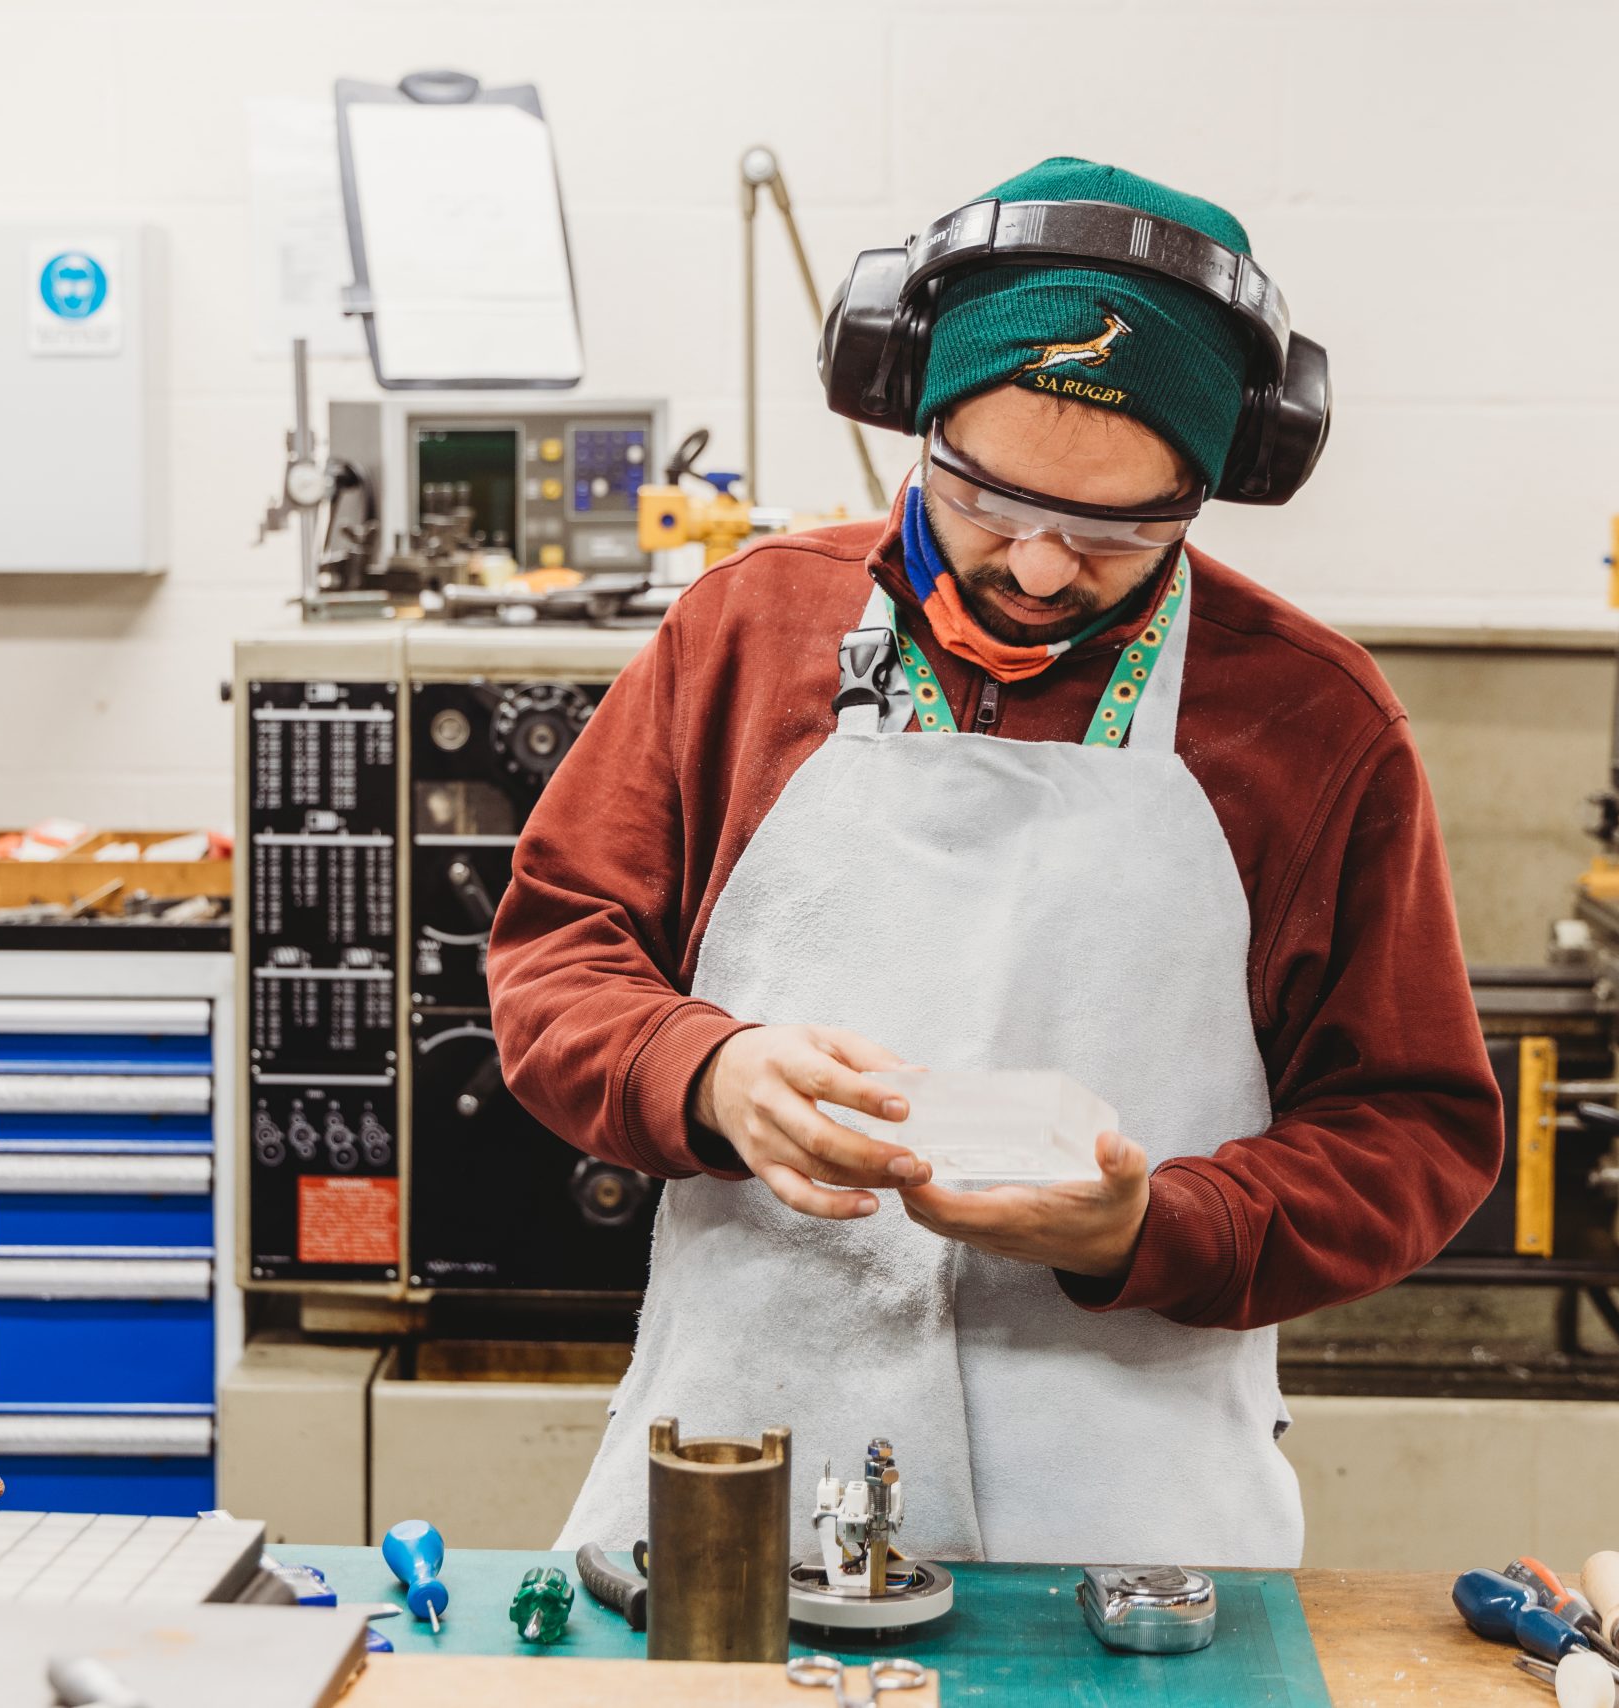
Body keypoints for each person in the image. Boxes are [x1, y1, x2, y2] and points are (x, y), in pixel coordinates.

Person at [487, 157, 1502, 1568]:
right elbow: (555, 960)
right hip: (745, 1470)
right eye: (985, 500)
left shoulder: (1311, 724)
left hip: (1131, 1523)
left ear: (1210, 489)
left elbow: (1412, 1130)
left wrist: (1159, 1227)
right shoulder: (745, 633)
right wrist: (705, 1074)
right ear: (915, 415)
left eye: (1113, 531)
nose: (1035, 570)